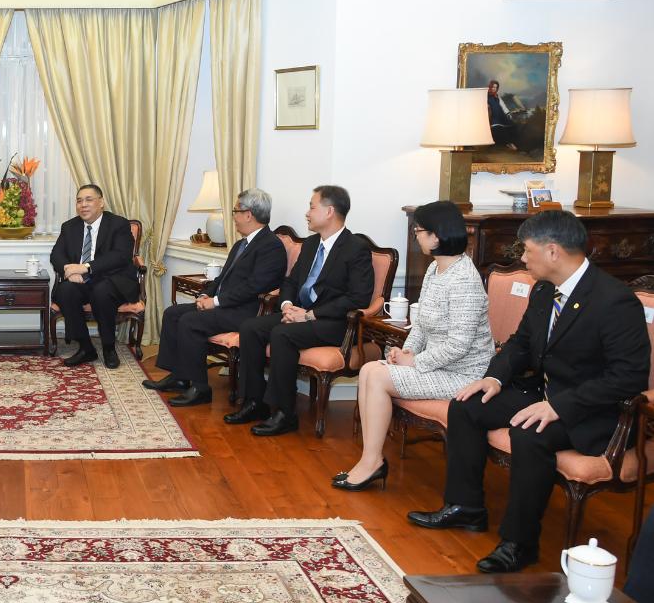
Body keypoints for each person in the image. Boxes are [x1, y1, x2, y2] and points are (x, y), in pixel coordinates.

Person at [408, 210, 650, 573]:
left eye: (528, 250)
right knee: (466, 405)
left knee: (529, 432)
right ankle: (465, 507)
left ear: (553, 251)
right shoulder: (545, 289)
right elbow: (521, 343)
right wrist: (493, 378)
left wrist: (558, 407)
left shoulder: (614, 300)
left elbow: (628, 377)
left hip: (590, 409)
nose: (522, 258)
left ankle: (518, 543)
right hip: (542, 391)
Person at [334, 201, 494, 491]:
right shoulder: (435, 269)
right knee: (369, 371)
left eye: (419, 231)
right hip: (437, 365)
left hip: (462, 375)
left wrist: (415, 362)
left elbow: (459, 345)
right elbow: (420, 324)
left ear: (436, 236)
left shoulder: (464, 280)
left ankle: (372, 462)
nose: (416, 236)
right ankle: (371, 459)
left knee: (376, 375)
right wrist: (406, 351)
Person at [226, 185, 374, 436]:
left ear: (329, 211)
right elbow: (291, 282)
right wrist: (286, 305)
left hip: (333, 322)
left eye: (312, 207)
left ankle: (285, 413)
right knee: (251, 327)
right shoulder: (312, 243)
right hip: (300, 314)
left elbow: (357, 298)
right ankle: (254, 401)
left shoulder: (355, 248)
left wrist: (309, 315)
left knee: (282, 334)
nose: (307, 213)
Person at [146, 188, 286, 405]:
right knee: (172, 313)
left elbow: (254, 287)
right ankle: (179, 377)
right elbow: (222, 279)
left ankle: (200, 388)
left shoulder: (271, 246)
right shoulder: (241, 244)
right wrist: (205, 295)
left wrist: (216, 302)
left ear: (248, 214)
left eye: (235, 211)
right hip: (225, 306)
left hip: (247, 311)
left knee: (190, 321)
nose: (234, 217)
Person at [49, 184, 140, 370]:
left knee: (101, 291)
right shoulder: (69, 227)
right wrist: (69, 270)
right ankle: (86, 348)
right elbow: (56, 255)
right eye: (79, 201)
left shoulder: (119, 224)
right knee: (65, 290)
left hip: (113, 280)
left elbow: (120, 256)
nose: (83, 205)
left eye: (88, 200)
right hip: (81, 281)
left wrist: (85, 268)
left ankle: (109, 348)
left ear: (101, 202)